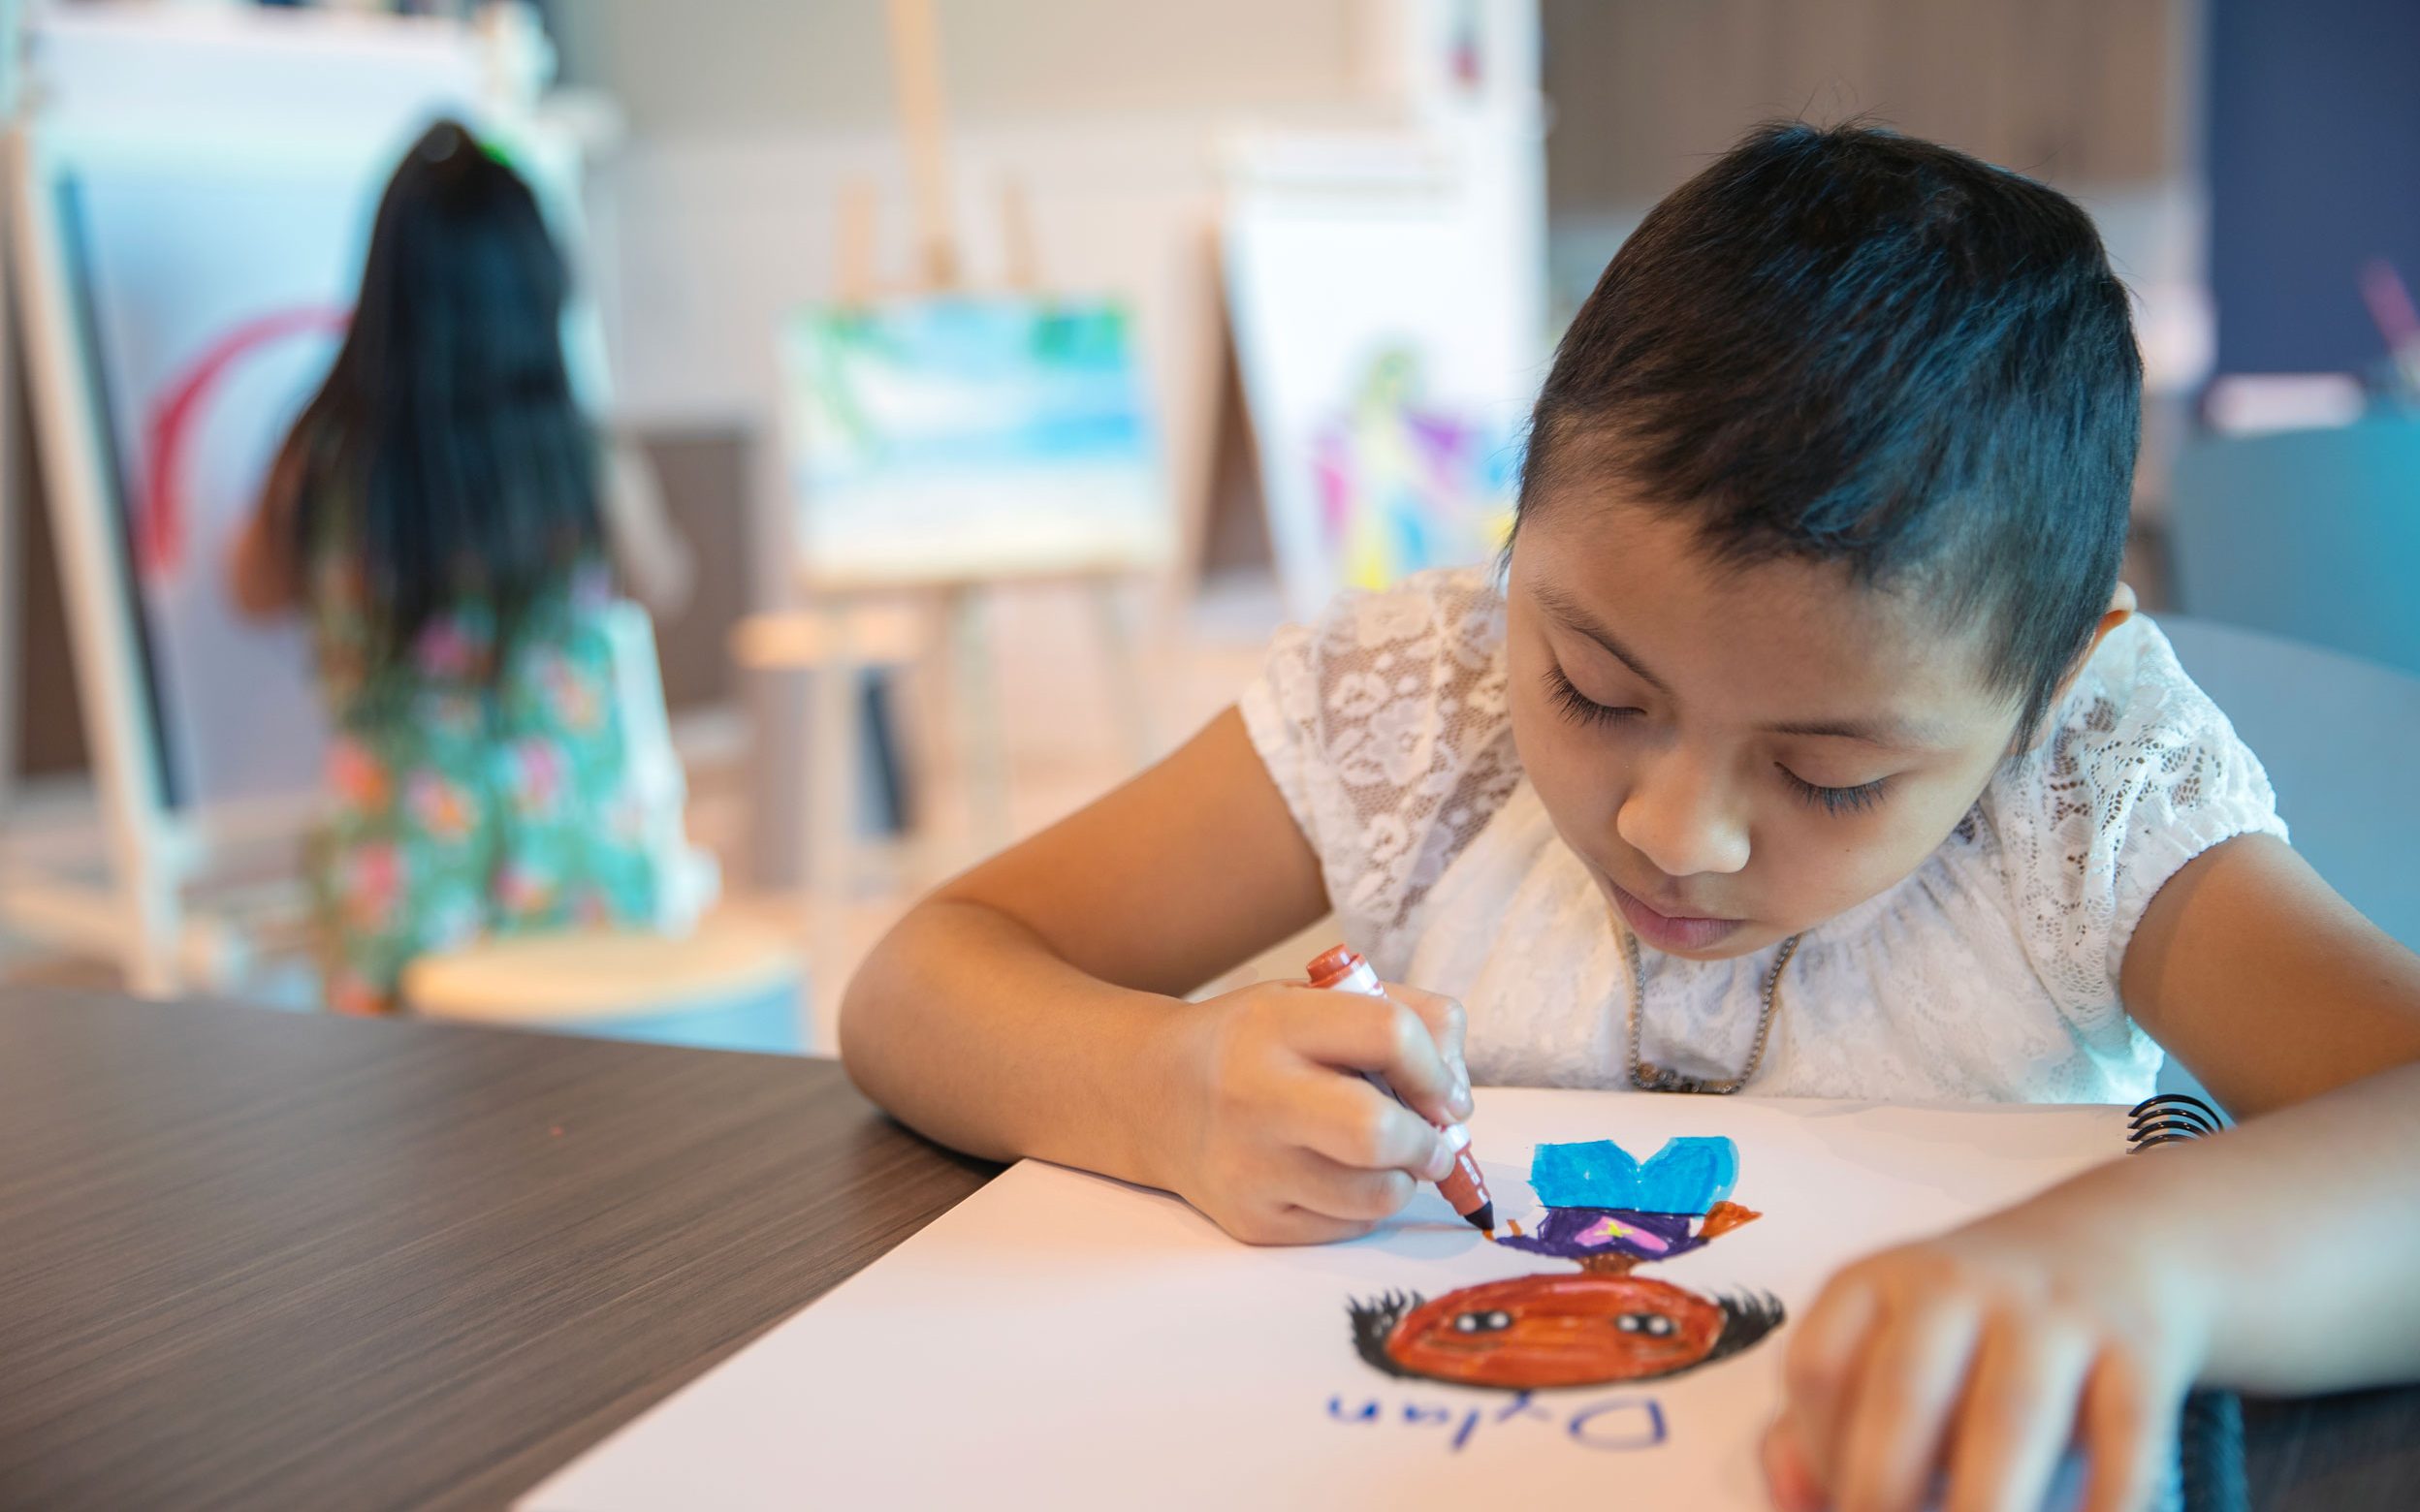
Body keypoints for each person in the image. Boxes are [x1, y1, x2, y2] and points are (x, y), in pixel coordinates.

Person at [840, 123, 2420, 1512]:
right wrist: (1160, 1084)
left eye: (1829, 777)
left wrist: (2139, 1265)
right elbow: (923, 979)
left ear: (2051, 684)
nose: (1680, 832)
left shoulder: (2078, 796)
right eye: (1596, 689)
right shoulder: (1419, 706)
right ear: (1515, 551)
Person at [233, 120, 694, 1015]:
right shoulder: (578, 458)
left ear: (384, 289)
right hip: (583, 883)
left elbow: (251, 590)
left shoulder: (320, 461)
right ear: (540, 288)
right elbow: (665, 582)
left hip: (401, 897)